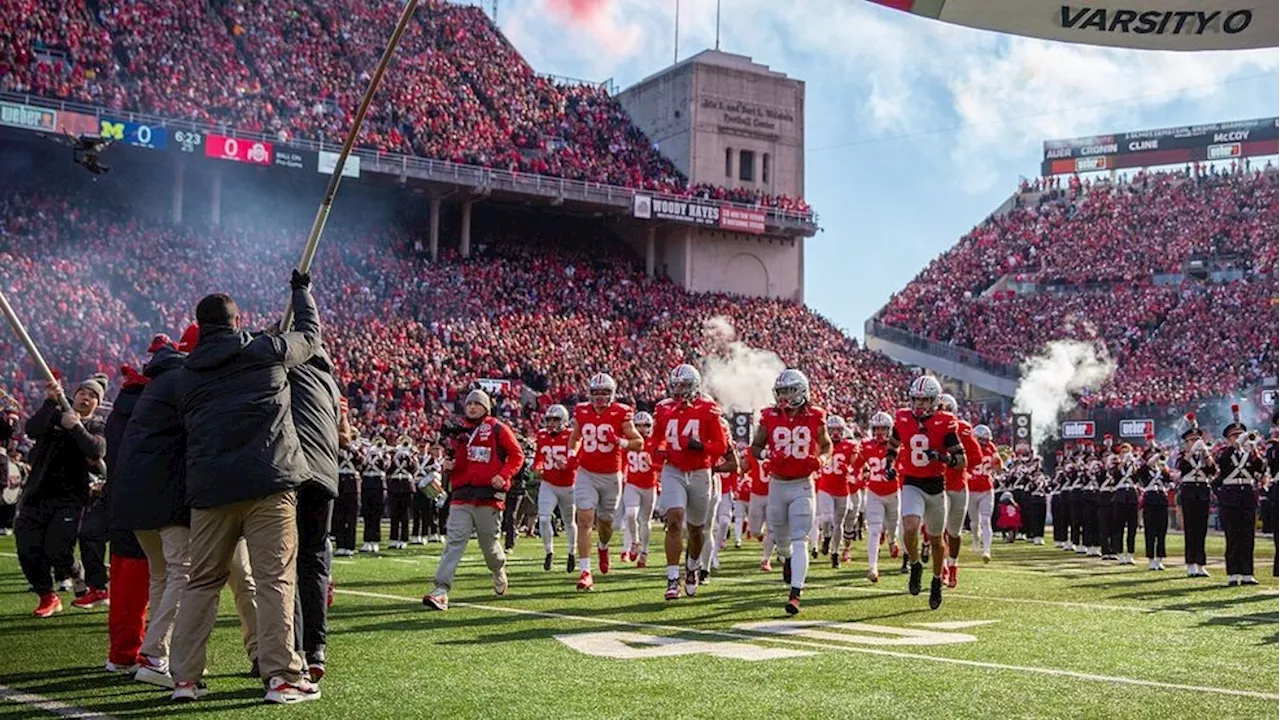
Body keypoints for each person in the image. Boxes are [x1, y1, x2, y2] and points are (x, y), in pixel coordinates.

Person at [170, 272, 321, 704]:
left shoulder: (187, 375)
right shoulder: (263, 351)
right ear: (238, 322)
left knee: (201, 583)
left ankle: (184, 678)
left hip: (211, 490)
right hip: (267, 482)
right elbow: (309, 338)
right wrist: (302, 293)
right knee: (274, 580)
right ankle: (281, 676)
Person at [114, 327, 260, 691]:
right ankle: (156, 657)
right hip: (173, 496)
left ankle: (155, 653)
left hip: (139, 497)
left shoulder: (159, 380)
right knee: (188, 575)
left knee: (166, 577)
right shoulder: (187, 380)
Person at [423, 390, 524, 610]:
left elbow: (517, 455)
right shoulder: (457, 429)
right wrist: (447, 465)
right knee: (454, 543)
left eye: (477, 404)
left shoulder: (498, 428)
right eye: (469, 403)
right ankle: (441, 589)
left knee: (490, 548)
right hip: (462, 495)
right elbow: (451, 457)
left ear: (486, 407)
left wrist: (504, 475)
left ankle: (498, 569)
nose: (472, 407)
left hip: (489, 496)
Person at [16, 376, 106, 618]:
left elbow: (96, 450)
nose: (86, 398)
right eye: (82, 392)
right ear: (74, 395)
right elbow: (31, 429)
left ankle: (76, 573)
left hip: (70, 498)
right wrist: (49, 403)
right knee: (27, 548)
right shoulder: (54, 414)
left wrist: (75, 427)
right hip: (36, 493)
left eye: (92, 396)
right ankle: (48, 596)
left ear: (98, 403)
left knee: (59, 550)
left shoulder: (95, 425)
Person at [286, 346, 347, 682]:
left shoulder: (288, 373)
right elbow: (343, 435)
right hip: (325, 477)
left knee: (283, 566)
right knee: (313, 559)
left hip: (292, 472)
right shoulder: (330, 384)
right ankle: (316, 647)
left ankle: (290, 648)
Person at [751, 369, 831, 615]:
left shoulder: (816, 415)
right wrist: (768, 456)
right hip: (777, 484)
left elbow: (827, 445)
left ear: (801, 391)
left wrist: (822, 460)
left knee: (800, 539)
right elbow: (756, 447)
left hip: (802, 484)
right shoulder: (769, 416)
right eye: (781, 391)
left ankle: (796, 593)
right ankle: (785, 559)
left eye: (789, 391)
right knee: (780, 538)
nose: (784, 396)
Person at [884, 375, 964, 611]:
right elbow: (893, 444)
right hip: (911, 481)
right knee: (909, 527)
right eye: (916, 400)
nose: (918, 405)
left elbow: (961, 460)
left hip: (936, 485)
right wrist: (889, 465)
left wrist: (941, 457)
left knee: (937, 540)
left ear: (935, 400)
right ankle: (916, 564)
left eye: (924, 400)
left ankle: (937, 580)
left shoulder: (946, 422)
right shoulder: (903, 417)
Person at [654, 364, 728, 601]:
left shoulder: (708, 409)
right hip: (673, 470)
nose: (680, 390)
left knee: (697, 529)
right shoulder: (663, 409)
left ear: (695, 386)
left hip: (699, 472)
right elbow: (656, 440)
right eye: (676, 385)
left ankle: (693, 566)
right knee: (674, 520)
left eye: (684, 385)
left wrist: (702, 447)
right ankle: (672, 577)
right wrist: (660, 450)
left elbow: (721, 446)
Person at [101, 356, 155, 673]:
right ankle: (144, 654)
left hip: (121, 503)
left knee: (124, 583)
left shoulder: (125, 404)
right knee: (153, 584)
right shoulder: (151, 404)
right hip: (148, 505)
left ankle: (121, 653)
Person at [567, 373, 642, 591]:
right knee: (584, 519)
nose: (599, 397)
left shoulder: (621, 412)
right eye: (596, 393)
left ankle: (603, 546)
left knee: (606, 523)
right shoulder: (582, 410)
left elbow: (638, 442)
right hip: (586, 473)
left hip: (611, 475)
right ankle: (585, 571)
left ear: (613, 394)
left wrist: (618, 441)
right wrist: (572, 453)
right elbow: (575, 437)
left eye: (604, 393)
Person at [1214, 408, 1262, 587]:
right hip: (1231, 497)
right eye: (1235, 436)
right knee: (1233, 535)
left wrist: (1253, 447)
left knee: (1248, 536)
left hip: (1247, 496)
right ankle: (1233, 573)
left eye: (1241, 435)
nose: (1239, 438)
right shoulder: (1225, 453)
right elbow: (1223, 464)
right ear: (1229, 439)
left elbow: (1261, 468)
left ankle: (1247, 573)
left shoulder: (1250, 453)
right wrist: (1235, 447)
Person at [937, 394, 980, 588]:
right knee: (939, 529)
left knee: (954, 531)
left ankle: (953, 565)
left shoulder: (962, 428)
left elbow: (976, 457)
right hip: (938, 485)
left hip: (959, 484)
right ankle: (943, 566)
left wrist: (959, 464)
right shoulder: (928, 427)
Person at [857, 412, 900, 583]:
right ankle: (873, 567)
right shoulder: (866, 445)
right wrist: (860, 473)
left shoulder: (897, 446)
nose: (880, 432)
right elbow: (856, 464)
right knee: (874, 529)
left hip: (893, 491)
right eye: (877, 428)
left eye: (883, 428)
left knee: (892, 524)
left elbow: (903, 466)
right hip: (874, 491)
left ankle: (892, 540)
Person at [534, 405, 577, 572]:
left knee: (569, 521)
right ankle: (548, 551)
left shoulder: (571, 435)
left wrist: (566, 465)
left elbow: (576, 459)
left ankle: (572, 552)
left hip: (569, 484)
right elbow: (539, 456)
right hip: (549, 483)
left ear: (564, 420)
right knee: (544, 518)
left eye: (555, 419)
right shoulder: (542, 435)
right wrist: (537, 467)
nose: (551, 423)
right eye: (549, 420)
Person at [815, 415, 858, 570]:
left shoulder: (849, 446)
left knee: (838, 523)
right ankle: (826, 537)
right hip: (825, 487)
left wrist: (853, 467)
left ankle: (835, 553)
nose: (834, 433)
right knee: (827, 518)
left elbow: (856, 464)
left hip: (842, 489)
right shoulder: (822, 445)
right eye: (831, 430)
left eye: (837, 430)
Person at [1174, 413, 1213, 578]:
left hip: (1202, 492)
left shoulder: (1204, 457)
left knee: (1202, 530)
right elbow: (1181, 468)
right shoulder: (1182, 457)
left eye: (1197, 440)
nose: (1195, 443)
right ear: (1186, 442)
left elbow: (1213, 470)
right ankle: (1190, 563)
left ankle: (1201, 563)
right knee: (1190, 529)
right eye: (1192, 440)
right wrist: (1191, 452)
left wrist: (1205, 452)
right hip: (1189, 492)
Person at [620, 411, 661, 567]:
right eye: (638, 425)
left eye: (645, 425)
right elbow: (622, 462)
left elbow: (663, 465)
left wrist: (654, 465)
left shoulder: (655, 443)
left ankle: (644, 551)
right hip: (632, 483)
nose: (642, 429)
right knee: (630, 513)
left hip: (650, 486)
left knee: (645, 521)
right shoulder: (629, 442)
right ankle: (635, 542)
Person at [966, 424, 998, 563]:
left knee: (985, 520)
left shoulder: (991, 447)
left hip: (986, 488)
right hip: (972, 489)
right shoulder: (969, 447)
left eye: (986, 439)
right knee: (974, 522)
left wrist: (998, 462)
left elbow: (998, 464)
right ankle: (975, 539)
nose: (985, 442)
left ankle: (986, 550)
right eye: (982, 440)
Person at [1138, 446, 1170, 571]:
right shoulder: (1144, 470)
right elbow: (1147, 465)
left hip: (1161, 501)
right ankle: (1151, 559)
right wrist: (1159, 454)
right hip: (1150, 501)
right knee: (1150, 532)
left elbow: (1169, 481)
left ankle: (1159, 559)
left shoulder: (1162, 470)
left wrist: (1163, 464)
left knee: (1161, 532)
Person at [1110, 443, 1141, 565]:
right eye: (1123, 452)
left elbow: (1138, 479)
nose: (1126, 454)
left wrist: (1133, 463)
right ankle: (1120, 553)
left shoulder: (1134, 466)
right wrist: (1123, 462)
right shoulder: (1116, 465)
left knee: (1132, 528)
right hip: (1120, 497)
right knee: (1119, 527)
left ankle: (1130, 553)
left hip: (1132, 497)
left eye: (1127, 452)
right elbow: (1114, 475)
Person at [386, 435, 417, 550]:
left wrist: (411, 456)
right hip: (394, 486)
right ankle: (393, 538)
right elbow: (388, 470)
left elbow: (414, 469)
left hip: (406, 486)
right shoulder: (394, 455)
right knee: (394, 515)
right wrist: (392, 457)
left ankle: (403, 539)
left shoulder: (411, 456)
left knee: (405, 515)